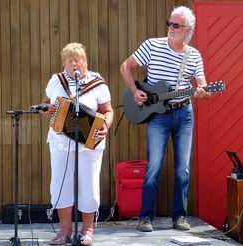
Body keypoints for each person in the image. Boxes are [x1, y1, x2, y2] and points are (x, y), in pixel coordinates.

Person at [120, 6, 210, 232]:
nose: (170, 28)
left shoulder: (194, 55)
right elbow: (126, 66)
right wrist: (134, 91)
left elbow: (204, 86)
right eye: (170, 23)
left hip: (184, 115)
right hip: (158, 115)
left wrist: (203, 91)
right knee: (154, 166)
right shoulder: (152, 45)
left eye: (176, 25)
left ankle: (179, 216)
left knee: (183, 169)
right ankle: (145, 217)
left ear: (187, 30)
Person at [40, 42, 113, 245]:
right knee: (60, 184)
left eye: (77, 59)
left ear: (85, 61)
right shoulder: (56, 81)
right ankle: (64, 232)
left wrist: (105, 124)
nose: (74, 63)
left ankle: (87, 231)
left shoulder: (96, 82)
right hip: (61, 141)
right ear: (64, 63)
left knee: (88, 184)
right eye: (69, 60)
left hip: (90, 141)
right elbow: (46, 103)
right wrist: (47, 109)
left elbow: (108, 110)